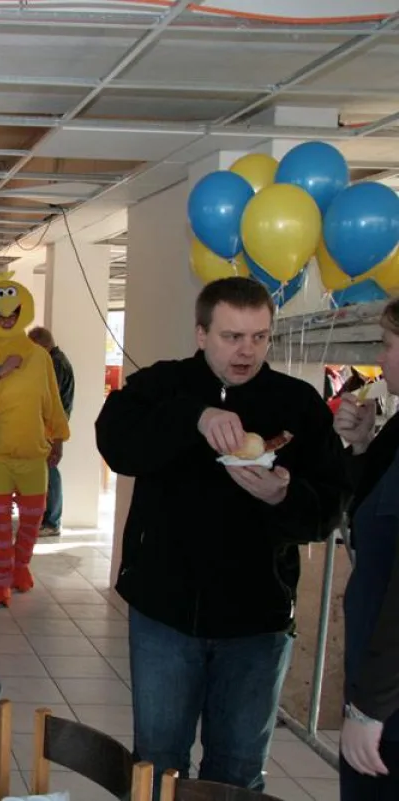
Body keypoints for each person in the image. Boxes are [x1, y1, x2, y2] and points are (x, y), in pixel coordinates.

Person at [95, 276, 348, 791]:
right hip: (164, 611)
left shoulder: (297, 404)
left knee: (236, 770)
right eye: (232, 336)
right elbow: (118, 447)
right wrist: (195, 416)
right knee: (159, 765)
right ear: (201, 334)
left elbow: (324, 513)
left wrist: (283, 496)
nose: (246, 350)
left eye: (259, 336)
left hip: (258, 620)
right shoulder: (161, 386)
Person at [0, 275, 69, 608]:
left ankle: (20, 566)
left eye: (12, 313)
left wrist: (58, 437)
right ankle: (0, 581)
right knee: (1, 521)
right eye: (0, 314)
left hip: (35, 452)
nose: (6, 318)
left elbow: (51, 399)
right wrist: (0, 372)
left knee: (33, 519)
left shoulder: (40, 357)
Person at [331, 297, 399, 800]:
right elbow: (371, 515)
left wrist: (369, 705)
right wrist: (359, 447)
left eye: (387, 344)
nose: (381, 356)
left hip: (389, 698)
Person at [28, 327, 74, 537]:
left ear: (41, 344)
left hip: (51, 427)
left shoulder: (55, 364)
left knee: (50, 470)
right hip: (49, 426)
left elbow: (49, 400)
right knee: (46, 471)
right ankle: (46, 517)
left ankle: (52, 521)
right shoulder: (56, 361)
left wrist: (57, 439)